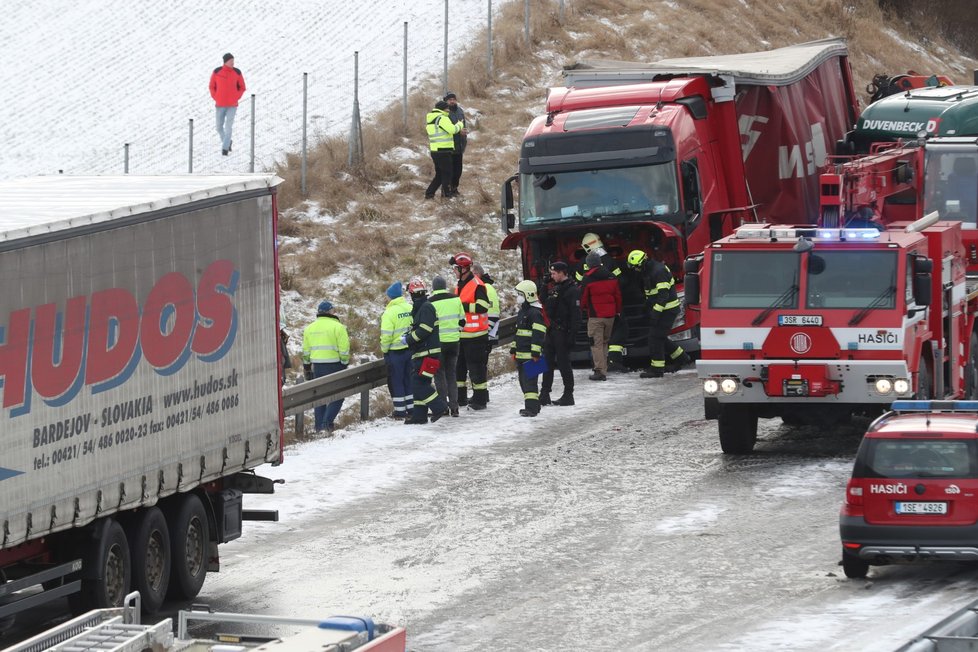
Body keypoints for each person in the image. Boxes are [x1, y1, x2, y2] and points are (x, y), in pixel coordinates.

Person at [626, 250, 691, 378]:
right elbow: (651, 292)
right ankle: (682, 358)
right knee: (660, 337)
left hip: (667, 310)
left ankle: (657, 369)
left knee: (654, 338)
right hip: (662, 309)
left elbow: (663, 296)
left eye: (636, 267)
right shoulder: (648, 271)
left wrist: (655, 312)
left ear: (641, 263)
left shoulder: (658, 271)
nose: (635, 270)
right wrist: (647, 307)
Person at [577, 232, 631, 372]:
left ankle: (599, 368)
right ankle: (613, 361)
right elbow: (621, 284)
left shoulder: (583, 267)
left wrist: (582, 308)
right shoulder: (609, 263)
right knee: (616, 332)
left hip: (594, 311)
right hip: (611, 309)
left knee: (596, 340)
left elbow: (580, 289)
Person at [404, 278, 448, 424]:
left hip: (428, 353)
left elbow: (425, 329)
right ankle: (419, 416)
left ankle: (439, 407)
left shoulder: (426, 307)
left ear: (412, 294)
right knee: (420, 382)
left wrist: (408, 339)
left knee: (418, 383)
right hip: (423, 353)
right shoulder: (420, 307)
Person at [301, 300, 349, 434]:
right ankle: (326, 424)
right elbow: (344, 349)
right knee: (339, 395)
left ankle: (319, 427)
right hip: (335, 365)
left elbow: (305, 350)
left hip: (317, 366)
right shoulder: (338, 327)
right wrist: (344, 363)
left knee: (320, 396)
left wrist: (307, 366)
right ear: (330, 311)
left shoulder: (309, 328)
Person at [452, 252, 491, 410]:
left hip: (476, 336)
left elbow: (483, 306)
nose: (454, 271)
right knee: (459, 369)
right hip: (461, 335)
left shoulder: (477, 284)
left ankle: (480, 400)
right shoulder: (459, 285)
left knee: (476, 369)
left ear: (463, 269)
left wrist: (463, 307)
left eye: (456, 268)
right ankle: (460, 398)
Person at [540, 261, 580, 406]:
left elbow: (576, 315)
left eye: (554, 273)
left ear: (562, 272)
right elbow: (543, 301)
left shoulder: (572, 289)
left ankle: (568, 394)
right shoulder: (556, 288)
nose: (552, 276)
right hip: (552, 331)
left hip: (563, 332)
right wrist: (544, 285)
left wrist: (572, 335)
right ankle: (544, 393)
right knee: (546, 363)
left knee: (564, 364)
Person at [580, 250, 622, 381]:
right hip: (610, 316)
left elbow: (583, 298)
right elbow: (618, 296)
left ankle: (599, 371)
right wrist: (617, 311)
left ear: (589, 264)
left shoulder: (587, 278)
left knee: (595, 344)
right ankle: (603, 368)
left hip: (595, 316)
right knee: (604, 342)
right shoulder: (611, 276)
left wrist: (582, 309)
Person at [511, 280, 548, 417]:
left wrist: (536, 353)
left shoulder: (535, 313)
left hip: (532, 356)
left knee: (530, 384)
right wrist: (513, 350)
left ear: (528, 295)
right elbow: (518, 334)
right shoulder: (523, 312)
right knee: (524, 383)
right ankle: (534, 406)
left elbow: (539, 334)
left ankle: (531, 409)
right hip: (521, 355)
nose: (518, 297)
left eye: (520, 294)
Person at [429, 275, 464, 417]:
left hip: (438, 344)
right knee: (452, 374)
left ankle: (443, 407)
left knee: (439, 375)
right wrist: (456, 332)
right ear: (444, 285)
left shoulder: (430, 302)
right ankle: (455, 407)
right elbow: (462, 321)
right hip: (454, 343)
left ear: (433, 287)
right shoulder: (456, 298)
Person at [380, 281, 414, 419]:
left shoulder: (389, 312)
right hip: (410, 349)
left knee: (397, 381)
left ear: (391, 297)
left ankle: (400, 411)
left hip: (395, 352)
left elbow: (386, 336)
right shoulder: (410, 307)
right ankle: (412, 409)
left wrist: (385, 350)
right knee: (409, 379)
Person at [425, 100, 465, 200]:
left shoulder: (431, 119)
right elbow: (452, 130)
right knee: (448, 173)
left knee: (439, 175)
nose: (448, 111)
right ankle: (446, 196)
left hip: (435, 151)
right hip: (444, 150)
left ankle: (429, 194)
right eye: (447, 109)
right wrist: (460, 125)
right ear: (442, 109)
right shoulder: (442, 118)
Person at [209, 53, 246, 156]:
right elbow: (212, 86)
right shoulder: (217, 72)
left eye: (233, 61)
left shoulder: (237, 72)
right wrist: (215, 96)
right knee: (219, 127)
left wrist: (236, 97)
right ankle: (228, 142)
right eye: (231, 61)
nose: (233, 62)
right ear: (226, 61)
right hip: (219, 105)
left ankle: (225, 149)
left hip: (232, 106)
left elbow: (242, 87)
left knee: (228, 127)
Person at [473, 263, 500, 352]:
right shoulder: (484, 287)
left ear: (476, 275)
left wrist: (482, 333)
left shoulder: (485, 288)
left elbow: (493, 314)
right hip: (484, 334)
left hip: (484, 335)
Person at [444, 92, 467, 197]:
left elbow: (464, 126)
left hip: (459, 146)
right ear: (446, 101)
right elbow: (447, 130)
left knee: (458, 171)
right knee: (449, 171)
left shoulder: (460, 111)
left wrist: (464, 136)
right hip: (449, 147)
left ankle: (454, 189)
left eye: (453, 99)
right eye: (450, 100)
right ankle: (446, 191)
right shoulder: (445, 113)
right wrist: (459, 131)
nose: (452, 101)